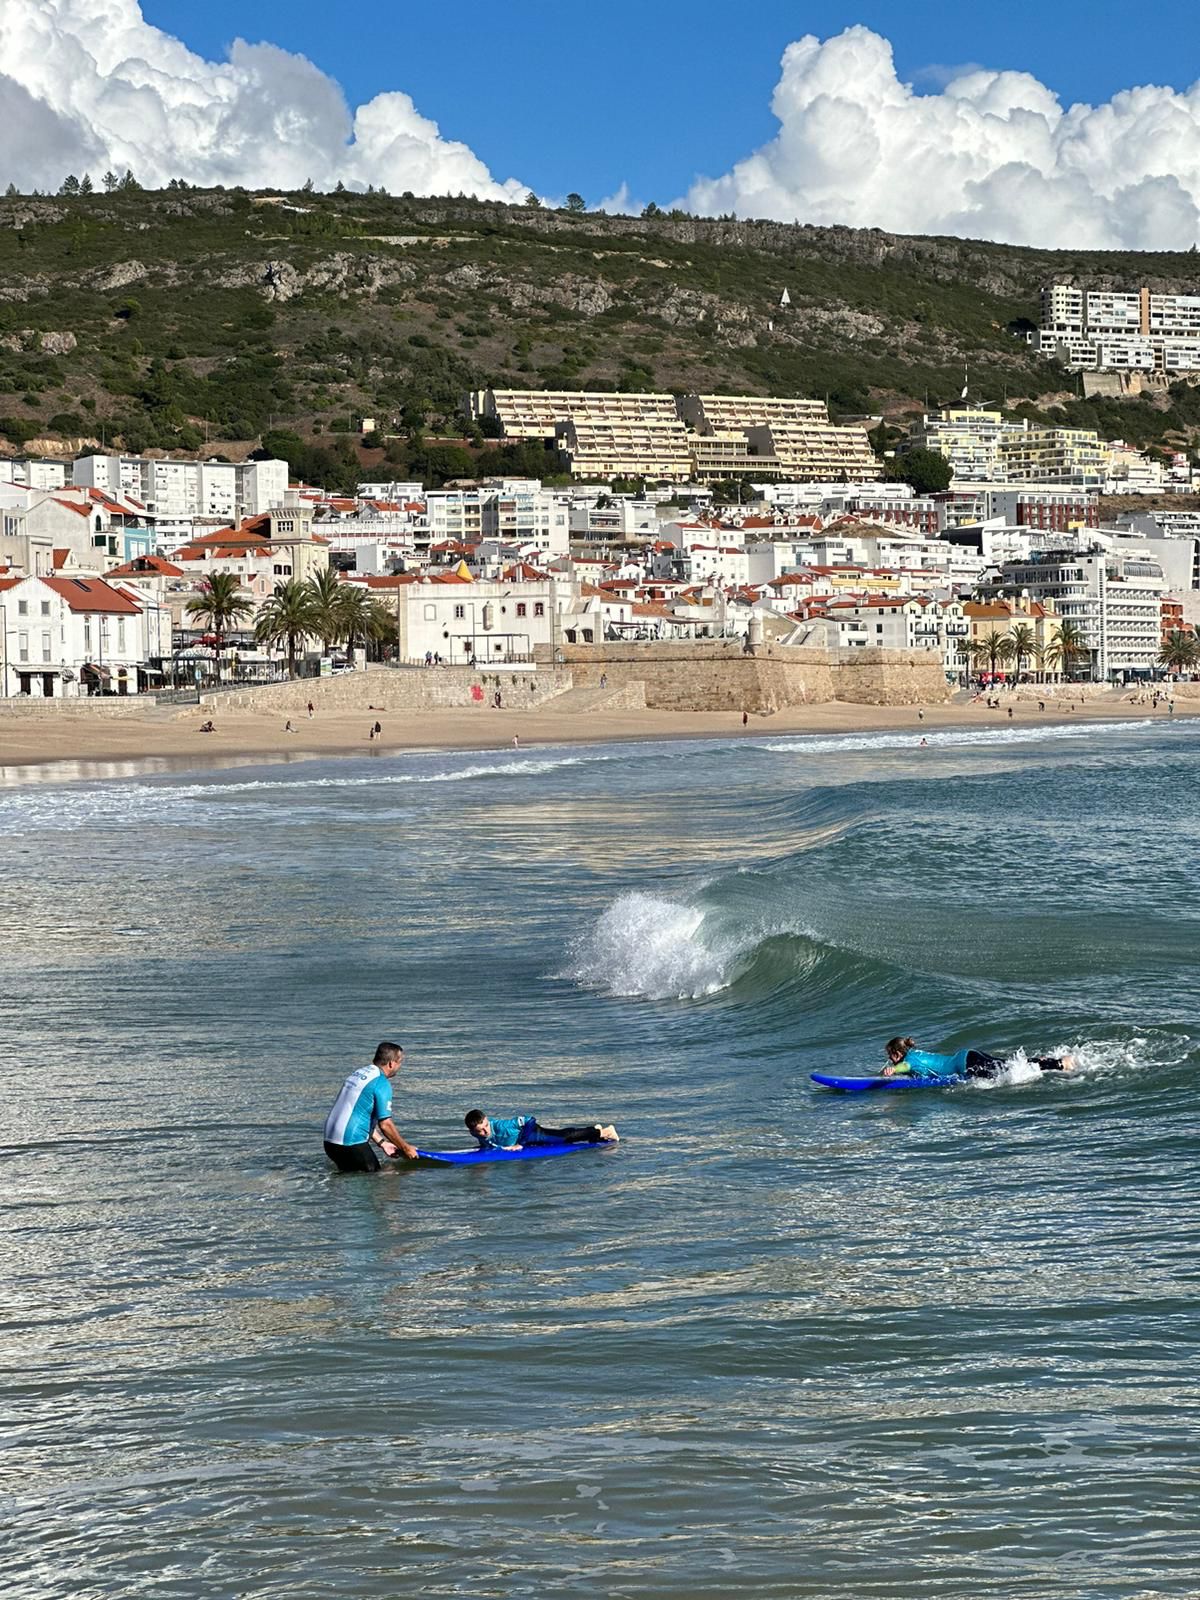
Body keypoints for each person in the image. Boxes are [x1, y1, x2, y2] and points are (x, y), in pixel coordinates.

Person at [323, 1041, 417, 1171]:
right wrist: (405, 1148)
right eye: (400, 1062)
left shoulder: (358, 1074)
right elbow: (385, 1124)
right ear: (391, 1063)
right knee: (378, 1182)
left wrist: (382, 1143)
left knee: (350, 1182)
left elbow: (358, 1113)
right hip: (351, 1144)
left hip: (330, 1143)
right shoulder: (381, 1082)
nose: (400, 1066)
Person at [881, 1036, 1076, 1081]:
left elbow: (905, 1066)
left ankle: (1059, 1064)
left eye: (890, 1056)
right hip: (967, 1056)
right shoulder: (915, 1053)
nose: (889, 1059)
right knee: (1008, 1065)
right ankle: (1043, 1060)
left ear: (897, 1054)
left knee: (1009, 1072)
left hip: (968, 1064)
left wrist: (893, 1071)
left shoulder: (909, 1061)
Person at [464, 1110, 618, 1149]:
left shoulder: (502, 1126)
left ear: (487, 1119)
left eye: (486, 1126)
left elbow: (530, 1120)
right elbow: (489, 1142)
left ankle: (604, 1131)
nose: (485, 1132)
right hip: (523, 1141)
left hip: (532, 1134)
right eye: (480, 1131)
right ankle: (593, 1130)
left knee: (564, 1137)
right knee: (563, 1136)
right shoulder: (475, 1132)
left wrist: (521, 1144)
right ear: (472, 1131)